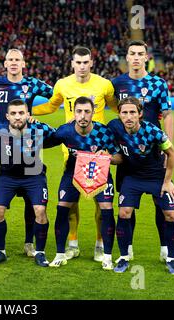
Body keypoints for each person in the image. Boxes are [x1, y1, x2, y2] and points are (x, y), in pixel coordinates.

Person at [33, 46, 117, 262]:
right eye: (78, 62)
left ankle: (100, 244)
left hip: (99, 150)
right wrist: (28, 112)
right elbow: (51, 107)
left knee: (102, 201)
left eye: (85, 62)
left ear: (91, 63)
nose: (82, 66)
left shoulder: (104, 85)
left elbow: (117, 107)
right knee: (72, 199)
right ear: (72, 63)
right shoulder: (62, 84)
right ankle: (72, 243)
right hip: (71, 149)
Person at [0, 48, 54, 258]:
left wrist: (35, 116)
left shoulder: (34, 84)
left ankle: (30, 243)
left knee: (32, 201)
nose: (13, 63)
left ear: (23, 63)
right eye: (9, 59)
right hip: (2, 145)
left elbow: (56, 96)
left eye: (17, 59)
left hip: (29, 144)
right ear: (4, 63)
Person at [111, 40, 174, 262]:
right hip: (126, 153)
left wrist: (168, 151)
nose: (136, 57)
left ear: (146, 57)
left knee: (161, 202)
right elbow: (114, 112)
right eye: (132, 53)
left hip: (153, 154)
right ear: (126, 58)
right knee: (127, 205)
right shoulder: (117, 84)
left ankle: (165, 246)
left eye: (140, 54)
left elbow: (167, 116)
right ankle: (127, 249)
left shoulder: (158, 83)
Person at [46, 97, 122, 270]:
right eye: (79, 111)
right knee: (62, 207)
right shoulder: (65, 131)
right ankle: (60, 254)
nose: (83, 116)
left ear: (93, 113)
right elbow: (45, 142)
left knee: (106, 209)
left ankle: (107, 255)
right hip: (72, 174)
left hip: (99, 174)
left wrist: (108, 157)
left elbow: (119, 157)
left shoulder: (103, 132)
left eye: (87, 111)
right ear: (74, 113)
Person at [108, 97, 174, 275]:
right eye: (124, 112)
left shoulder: (152, 131)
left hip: (157, 176)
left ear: (140, 114)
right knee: (124, 213)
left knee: (171, 215)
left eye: (133, 112)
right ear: (119, 114)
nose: (128, 116)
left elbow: (171, 153)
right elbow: (95, 130)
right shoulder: (114, 127)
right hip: (132, 177)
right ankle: (124, 257)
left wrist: (167, 181)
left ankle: (171, 259)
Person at [0, 99, 55, 267]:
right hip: (7, 177)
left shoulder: (38, 129)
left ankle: (40, 252)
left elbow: (60, 134)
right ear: (7, 116)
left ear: (28, 115)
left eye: (21, 113)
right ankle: (0, 252)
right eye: (14, 113)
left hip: (34, 176)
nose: (18, 117)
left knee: (40, 210)